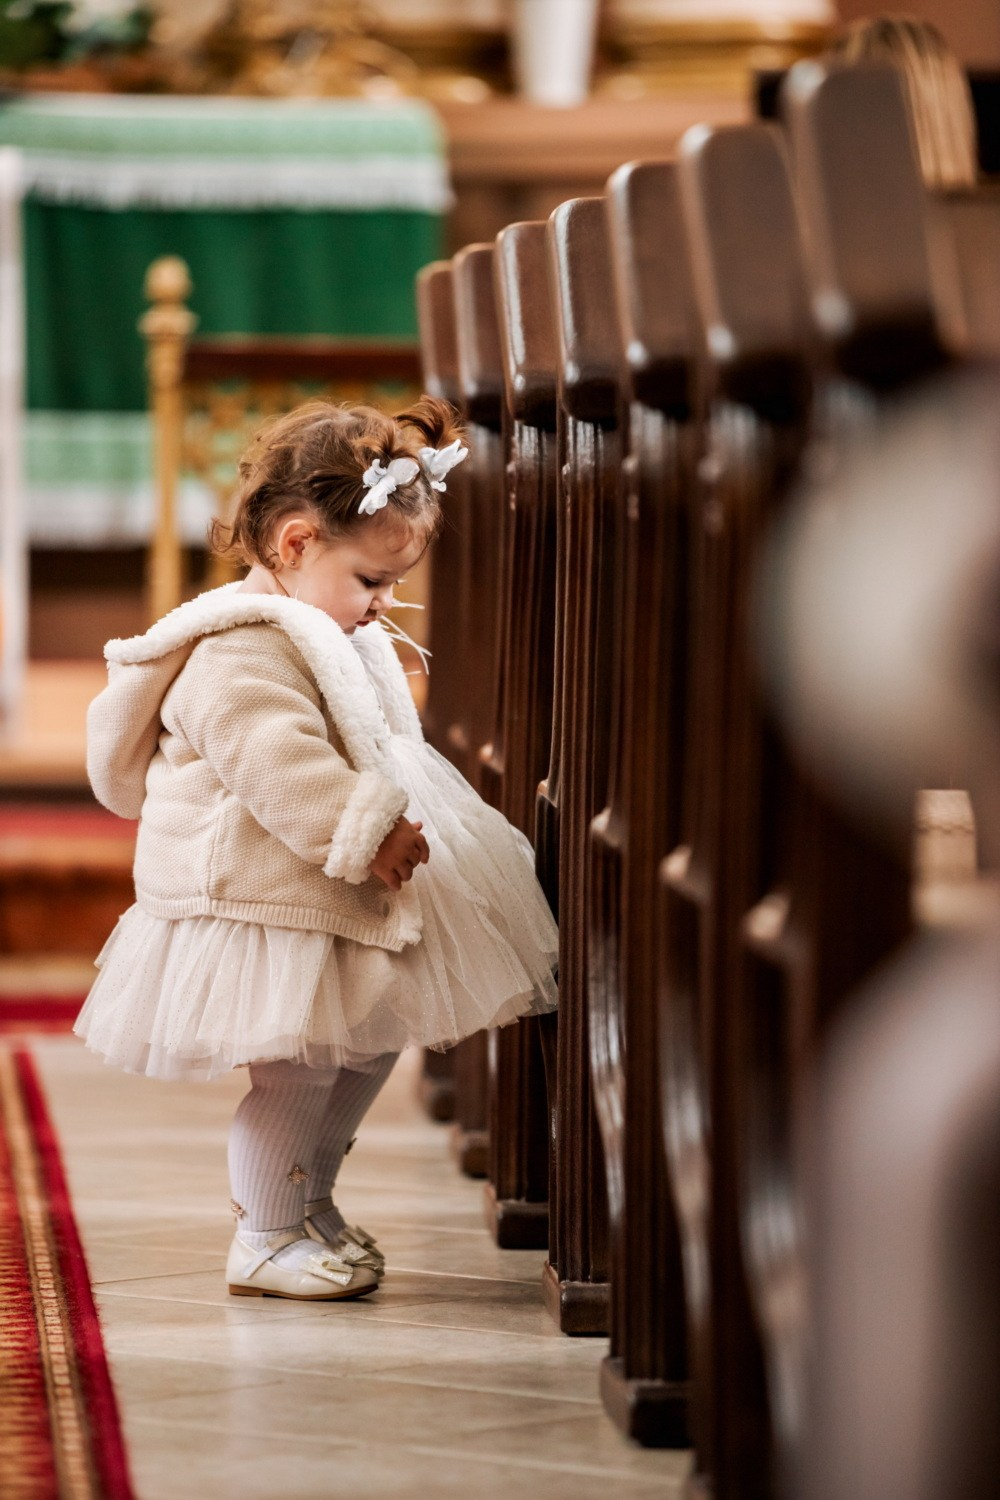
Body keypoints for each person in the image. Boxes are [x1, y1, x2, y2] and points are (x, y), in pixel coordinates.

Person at [76, 396, 559, 1303]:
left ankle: (308, 1204)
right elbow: (278, 764)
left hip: (316, 893)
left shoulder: (317, 626)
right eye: (372, 581)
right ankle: (263, 1237)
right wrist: (363, 828)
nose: (385, 606)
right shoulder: (237, 652)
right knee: (298, 1074)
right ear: (297, 543)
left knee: (364, 1047)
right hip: (258, 895)